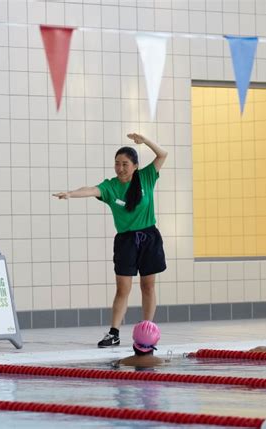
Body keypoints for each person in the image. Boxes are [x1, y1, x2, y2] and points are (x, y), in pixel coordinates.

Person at [53, 133, 168, 348]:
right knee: (122, 288)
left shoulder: (147, 177)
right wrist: (70, 193)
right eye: (117, 164)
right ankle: (114, 333)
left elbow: (162, 154)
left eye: (125, 164)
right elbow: (90, 189)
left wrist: (145, 141)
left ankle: (148, 330)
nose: (120, 168)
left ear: (135, 166)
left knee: (148, 286)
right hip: (126, 241)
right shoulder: (111, 186)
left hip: (149, 237)